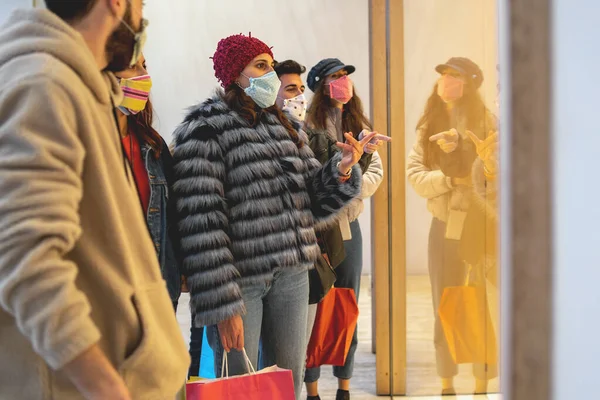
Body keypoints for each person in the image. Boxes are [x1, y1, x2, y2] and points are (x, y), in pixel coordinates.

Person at [0, 1, 189, 399]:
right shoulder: (45, 84)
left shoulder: (77, 86)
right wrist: (104, 387)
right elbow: (25, 258)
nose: (140, 19)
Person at [171, 34, 376, 399]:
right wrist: (223, 304)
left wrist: (343, 170)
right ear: (235, 74)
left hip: (293, 274)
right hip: (240, 283)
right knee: (242, 387)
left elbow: (314, 200)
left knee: (286, 383)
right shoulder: (205, 129)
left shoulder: (285, 126)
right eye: (260, 66)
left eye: (270, 64)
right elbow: (203, 225)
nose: (271, 74)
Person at [406, 57, 498, 395]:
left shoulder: (487, 123)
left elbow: (500, 175)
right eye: (443, 75)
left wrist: (482, 170)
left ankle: (481, 384)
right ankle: (446, 383)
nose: (446, 80)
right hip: (443, 226)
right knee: (444, 303)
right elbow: (415, 175)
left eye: (454, 76)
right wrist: (447, 178)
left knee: (481, 303)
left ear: (470, 83)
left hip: (480, 225)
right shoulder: (428, 125)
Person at [303, 58, 386, 400]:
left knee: (347, 304)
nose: (343, 82)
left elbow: (375, 175)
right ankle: (311, 388)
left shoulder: (363, 127)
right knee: (315, 303)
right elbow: (311, 178)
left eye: (346, 76)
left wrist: (351, 180)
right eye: (336, 77)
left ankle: (344, 385)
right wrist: (344, 180)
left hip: (350, 226)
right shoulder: (307, 126)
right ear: (322, 84)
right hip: (320, 228)